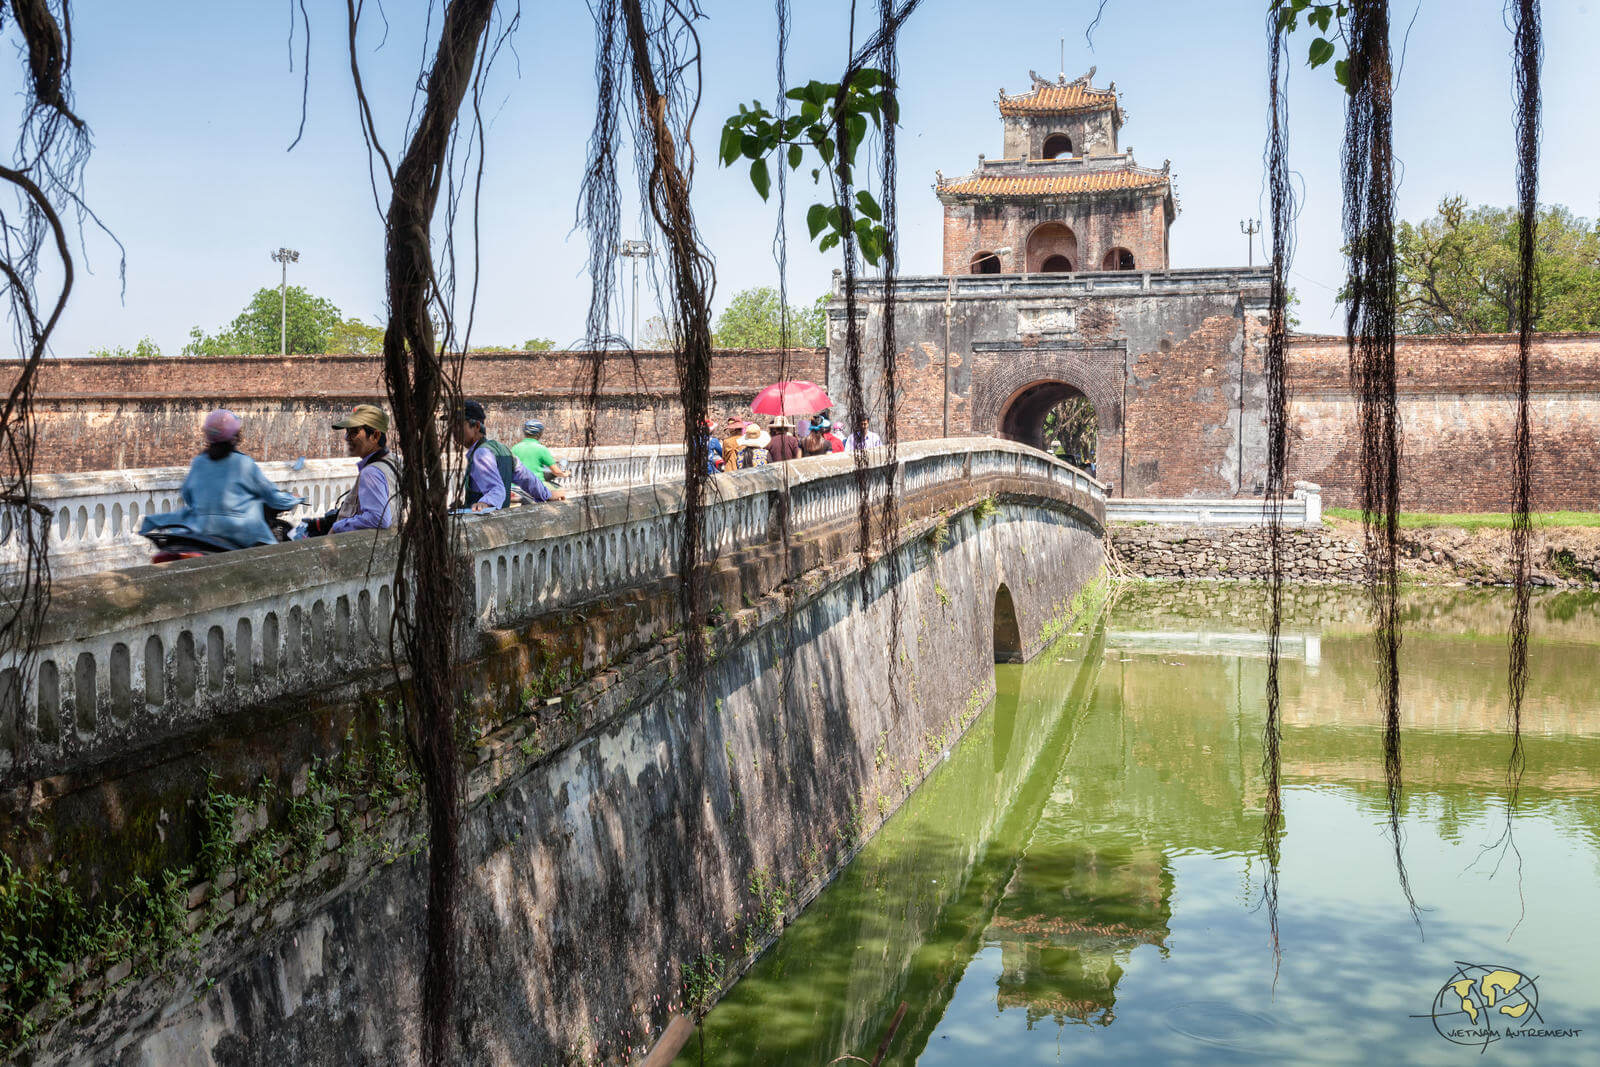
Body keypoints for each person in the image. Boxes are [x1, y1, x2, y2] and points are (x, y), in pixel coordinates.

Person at [139, 409, 303, 549]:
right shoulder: (243, 463)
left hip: (201, 529)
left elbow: (187, 495)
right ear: (235, 437)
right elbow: (272, 497)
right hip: (241, 534)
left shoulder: (199, 462)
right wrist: (294, 499)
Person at [448, 400, 566, 511]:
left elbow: (497, 489)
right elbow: (527, 478)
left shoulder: (481, 453)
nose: (453, 431)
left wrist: (484, 503)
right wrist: (546, 495)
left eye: (458, 425)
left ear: (477, 427)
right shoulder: (502, 448)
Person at [303, 404, 402, 537]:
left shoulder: (371, 472)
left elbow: (379, 518)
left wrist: (337, 527)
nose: (347, 438)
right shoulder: (393, 461)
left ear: (375, 436)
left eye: (354, 432)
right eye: (348, 432)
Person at [511, 419, 568, 484]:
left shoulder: (514, 448)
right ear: (540, 433)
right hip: (536, 486)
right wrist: (565, 474)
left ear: (524, 432)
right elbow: (556, 472)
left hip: (515, 486)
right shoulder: (541, 449)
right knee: (559, 492)